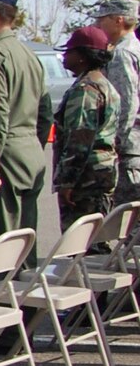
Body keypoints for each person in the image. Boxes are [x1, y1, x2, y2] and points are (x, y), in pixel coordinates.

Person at [0, 0, 51, 259]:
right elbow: (45, 113)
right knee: (25, 239)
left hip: (6, 155)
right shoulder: (29, 54)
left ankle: (6, 301)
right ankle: (25, 296)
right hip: (29, 153)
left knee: (2, 244)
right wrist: (33, 145)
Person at [54, 25, 119, 229]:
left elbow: (79, 141)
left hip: (86, 180)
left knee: (84, 243)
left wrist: (67, 182)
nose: (64, 56)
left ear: (83, 56)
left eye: (70, 51)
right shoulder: (104, 84)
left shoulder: (87, 90)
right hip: (101, 173)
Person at [90, 0, 140, 206]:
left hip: (128, 149)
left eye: (103, 19)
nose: (99, 24)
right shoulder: (134, 47)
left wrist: (113, 142)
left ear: (118, 20)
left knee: (127, 223)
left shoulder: (122, 53)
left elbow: (126, 103)